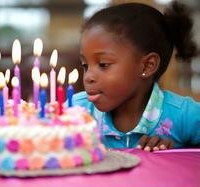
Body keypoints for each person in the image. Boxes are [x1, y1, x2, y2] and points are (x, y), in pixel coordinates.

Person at [73, 1, 200, 151]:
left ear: (147, 65)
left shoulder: (185, 115)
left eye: (103, 64)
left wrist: (177, 154)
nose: (88, 77)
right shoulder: (75, 111)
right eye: (85, 66)